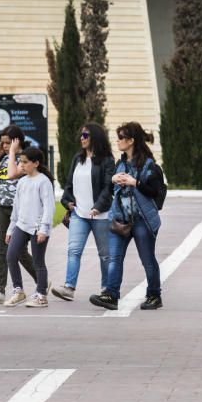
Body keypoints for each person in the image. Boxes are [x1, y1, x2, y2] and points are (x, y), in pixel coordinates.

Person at [91, 122, 165, 311]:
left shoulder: (149, 166)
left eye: (121, 138)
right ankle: (111, 295)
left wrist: (135, 182)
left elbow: (155, 192)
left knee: (147, 260)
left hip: (142, 221)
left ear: (131, 141)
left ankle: (154, 296)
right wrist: (113, 181)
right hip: (120, 219)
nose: (117, 141)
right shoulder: (120, 163)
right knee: (114, 258)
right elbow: (110, 191)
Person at [52, 123, 115, 302]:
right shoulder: (77, 159)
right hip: (79, 214)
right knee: (73, 250)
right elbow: (69, 183)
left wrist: (98, 206)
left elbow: (107, 187)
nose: (82, 138)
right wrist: (67, 202)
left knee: (105, 255)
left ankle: (106, 289)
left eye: (85, 135)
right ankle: (69, 288)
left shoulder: (107, 160)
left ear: (95, 137)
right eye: (81, 135)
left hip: (100, 216)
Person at [0, 125, 37, 304]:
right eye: (2, 143)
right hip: (2, 208)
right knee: (0, 250)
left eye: (8, 143)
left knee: (19, 251)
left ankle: (41, 280)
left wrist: (13, 152)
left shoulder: (24, 160)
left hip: (19, 210)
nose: (5, 146)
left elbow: (13, 174)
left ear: (17, 141)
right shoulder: (5, 158)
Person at [3, 147, 55, 308]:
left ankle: (41, 295)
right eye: (20, 161)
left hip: (38, 228)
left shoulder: (43, 182)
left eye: (25, 162)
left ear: (36, 163)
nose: (21, 165)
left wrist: (43, 229)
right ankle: (18, 291)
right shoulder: (22, 182)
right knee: (11, 255)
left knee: (39, 262)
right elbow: (16, 208)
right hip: (21, 225)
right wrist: (11, 229)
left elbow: (49, 207)